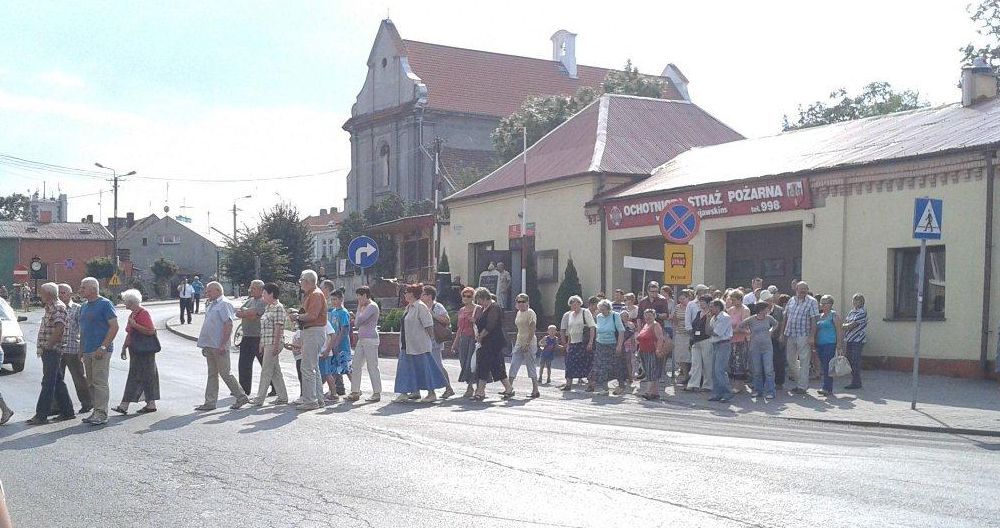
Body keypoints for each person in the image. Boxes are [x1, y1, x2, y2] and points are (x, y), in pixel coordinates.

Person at [194, 281, 249, 411]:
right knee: (212, 374)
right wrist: (205, 344)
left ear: (218, 291)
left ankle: (241, 396)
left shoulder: (224, 304)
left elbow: (228, 324)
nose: (207, 293)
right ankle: (210, 402)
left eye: (209, 291)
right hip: (210, 344)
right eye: (206, 291)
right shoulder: (212, 304)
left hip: (219, 345)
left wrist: (223, 344)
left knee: (225, 373)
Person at [26, 282, 74, 425]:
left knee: (48, 382)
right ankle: (68, 411)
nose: (40, 295)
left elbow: (60, 328)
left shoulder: (58, 307)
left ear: (48, 294)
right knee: (57, 381)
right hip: (48, 350)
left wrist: (48, 345)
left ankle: (41, 415)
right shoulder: (51, 307)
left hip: (52, 350)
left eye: (41, 292)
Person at [393, 284, 447, 403]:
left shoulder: (420, 307)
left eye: (406, 292)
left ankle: (431, 393)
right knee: (406, 369)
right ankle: (407, 392)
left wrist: (430, 341)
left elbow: (428, 325)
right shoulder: (409, 307)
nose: (405, 294)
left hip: (420, 345)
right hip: (407, 344)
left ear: (412, 293)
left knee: (424, 369)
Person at [112, 289, 160, 415]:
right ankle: (149, 404)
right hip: (136, 350)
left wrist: (135, 325)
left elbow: (151, 331)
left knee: (145, 376)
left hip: (145, 350)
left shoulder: (143, 313)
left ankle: (126, 405)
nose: (124, 303)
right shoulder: (133, 314)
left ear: (131, 302)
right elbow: (130, 333)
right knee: (142, 376)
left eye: (125, 301)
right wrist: (124, 347)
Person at [78, 276, 118, 425]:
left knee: (99, 382)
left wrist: (103, 346)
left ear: (93, 289)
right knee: (90, 382)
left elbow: (114, 327)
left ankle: (102, 413)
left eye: (83, 288)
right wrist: (81, 350)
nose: (80, 290)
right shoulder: (84, 306)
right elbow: (83, 330)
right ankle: (96, 410)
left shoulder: (105, 304)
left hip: (101, 350)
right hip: (87, 350)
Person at [288, 270, 327, 411]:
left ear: (308, 281)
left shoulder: (315, 294)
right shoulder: (313, 294)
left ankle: (310, 400)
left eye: (301, 280)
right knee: (313, 367)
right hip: (312, 332)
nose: (300, 283)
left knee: (307, 367)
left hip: (313, 332)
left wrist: (297, 316)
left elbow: (312, 315)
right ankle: (318, 399)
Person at [472, 287, 514, 400]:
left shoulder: (494, 307)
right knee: (494, 366)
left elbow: (490, 326)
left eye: (479, 300)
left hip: (493, 342)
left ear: (484, 297)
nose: (478, 303)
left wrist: (480, 336)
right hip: (486, 342)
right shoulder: (485, 308)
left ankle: (480, 391)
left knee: (486, 365)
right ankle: (508, 388)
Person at [251, 282, 288, 406]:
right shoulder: (268, 307)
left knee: (266, 370)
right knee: (275, 371)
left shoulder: (278, 307)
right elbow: (264, 328)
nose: (263, 296)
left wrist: (276, 346)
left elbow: (278, 328)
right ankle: (283, 397)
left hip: (274, 342)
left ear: (271, 294)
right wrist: (261, 344)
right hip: (267, 342)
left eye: (265, 294)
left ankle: (259, 398)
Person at [57, 283, 92, 415]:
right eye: (58, 293)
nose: (60, 295)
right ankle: (57, 405)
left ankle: (87, 402)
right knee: (57, 378)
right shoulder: (55, 308)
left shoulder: (78, 308)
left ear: (70, 294)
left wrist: (82, 349)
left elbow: (83, 330)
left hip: (73, 348)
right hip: (57, 349)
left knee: (79, 377)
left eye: (63, 293)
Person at [782, 281, 819, 394]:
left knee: (804, 360)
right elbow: (786, 317)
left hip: (804, 334)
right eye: (801, 289)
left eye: (805, 289)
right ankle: (800, 381)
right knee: (790, 360)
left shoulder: (812, 302)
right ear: (796, 289)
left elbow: (814, 320)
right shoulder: (791, 300)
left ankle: (802, 386)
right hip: (791, 334)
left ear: (807, 290)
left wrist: (812, 336)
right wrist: (782, 333)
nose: (803, 291)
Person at [347, 286, 382, 402]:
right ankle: (355, 391)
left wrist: (358, 308)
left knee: (372, 366)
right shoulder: (364, 307)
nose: (358, 299)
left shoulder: (372, 306)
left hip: (371, 339)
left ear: (366, 295)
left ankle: (377, 392)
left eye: (360, 296)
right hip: (362, 339)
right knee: (356, 365)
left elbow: (358, 322)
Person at [421, 285, 455, 399]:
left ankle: (448, 388)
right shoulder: (422, 307)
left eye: (423, 294)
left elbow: (446, 320)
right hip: (425, 340)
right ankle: (440, 389)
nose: (421, 296)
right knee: (430, 365)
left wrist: (432, 314)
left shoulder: (437, 306)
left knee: (437, 365)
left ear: (429, 296)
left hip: (435, 340)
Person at [235, 280, 268, 396]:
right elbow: (237, 313)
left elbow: (255, 315)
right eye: (251, 288)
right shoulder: (249, 301)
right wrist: (247, 312)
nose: (251, 290)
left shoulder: (263, 302)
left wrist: (246, 313)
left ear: (261, 289)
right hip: (246, 336)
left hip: (258, 337)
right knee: (244, 364)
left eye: (254, 288)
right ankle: (244, 389)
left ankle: (274, 387)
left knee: (265, 363)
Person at [321, 284, 352, 401]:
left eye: (335, 299)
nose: (333, 302)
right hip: (333, 346)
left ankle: (355, 389)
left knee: (347, 368)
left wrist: (337, 343)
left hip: (342, 346)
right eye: (332, 299)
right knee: (334, 369)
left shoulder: (343, 312)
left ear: (341, 299)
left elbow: (344, 330)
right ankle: (333, 391)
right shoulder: (333, 312)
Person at [740, 301, 777, 399]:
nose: (768, 310)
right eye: (766, 308)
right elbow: (741, 325)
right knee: (757, 370)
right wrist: (747, 332)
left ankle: (770, 391)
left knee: (768, 370)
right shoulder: (752, 319)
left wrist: (771, 331)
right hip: (755, 347)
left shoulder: (769, 318)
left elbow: (775, 324)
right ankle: (757, 390)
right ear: (761, 309)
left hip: (767, 348)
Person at [559, 295, 596, 392]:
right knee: (569, 362)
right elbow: (570, 330)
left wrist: (591, 342)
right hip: (573, 343)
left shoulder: (585, 312)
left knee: (587, 363)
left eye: (575, 303)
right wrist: (568, 343)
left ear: (580, 303)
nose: (573, 306)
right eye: (571, 304)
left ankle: (590, 385)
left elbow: (592, 327)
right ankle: (568, 384)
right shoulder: (570, 314)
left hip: (584, 342)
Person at [508, 293, 540, 398]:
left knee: (530, 365)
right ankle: (509, 388)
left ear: (527, 302)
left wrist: (527, 343)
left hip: (529, 343)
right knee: (514, 364)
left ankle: (535, 390)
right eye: (518, 301)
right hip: (519, 341)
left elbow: (532, 329)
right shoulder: (518, 313)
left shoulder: (530, 313)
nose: (520, 304)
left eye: (523, 301)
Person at [592, 299, 625, 395]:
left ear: (608, 308)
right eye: (601, 309)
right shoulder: (599, 317)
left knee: (616, 365)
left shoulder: (615, 315)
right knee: (602, 366)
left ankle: (621, 386)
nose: (602, 311)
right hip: (600, 344)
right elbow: (597, 330)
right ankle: (604, 388)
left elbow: (621, 331)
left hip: (612, 344)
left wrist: (619, 346)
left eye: (604, 309)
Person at [451, 287, 480, 399]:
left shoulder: (477, 309)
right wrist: (455, 343)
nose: (466, 298)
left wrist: (475, 320)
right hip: (463, 338)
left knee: (471, 363)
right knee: (463, 362)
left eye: (469, 296)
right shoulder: (461, 310)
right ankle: (471, 385)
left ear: (473, 297)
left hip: (474, 338)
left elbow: (482, 324)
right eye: (464, 295)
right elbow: (459, 328)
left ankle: (472, 387)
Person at [637, 308, 670, 400]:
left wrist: (658, 350)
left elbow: (660, 338)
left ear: (654, 316)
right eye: (646, 315)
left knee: (652, 372)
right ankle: (655, 393)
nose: (647, 317)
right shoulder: (645, 325)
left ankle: (648, 392)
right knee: (649, 372)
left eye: (650, 315)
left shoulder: (656, 325)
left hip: (653, 351)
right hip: (644, 351)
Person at [816, 295, 844, 397]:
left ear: (830, 304)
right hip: (820, 344)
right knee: (824, 365)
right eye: (821, 303)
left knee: (828, 365)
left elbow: (839, 331)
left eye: (825, 303)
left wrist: (839, 344)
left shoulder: (834, 316)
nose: (822, 305)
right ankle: (826, 386)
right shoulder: (820, 316)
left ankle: (827, 387)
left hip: (830, 344)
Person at [686, 294, 714, 392]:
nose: (701, 303)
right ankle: (693, 384)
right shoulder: (698, 313)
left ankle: (707, 385)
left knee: (707, 364)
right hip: (696, 340)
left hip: (706, 340)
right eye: (700, 301)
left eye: (703, 301)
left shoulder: (710, 314)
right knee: (695, 364)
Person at [707, 299, 734, 402]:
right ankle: (717, 393)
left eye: (712, 307)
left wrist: (710, 331)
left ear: (718, 307)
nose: (710, 309)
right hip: (715, 344)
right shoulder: (713, 318)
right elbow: (708, 331)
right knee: (714, 371)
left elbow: (716, 332)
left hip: (723, 344)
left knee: (720, 370)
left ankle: (727, 392)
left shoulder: (724, 317)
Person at [727, 291, 752, 394]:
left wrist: (733, 330)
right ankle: (733, 384)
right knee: (732, 362)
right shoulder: (730, 310)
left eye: (734, 299)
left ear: (740, 299)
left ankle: (739, 385)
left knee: (739, 362)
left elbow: (744, 326)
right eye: (731, 299)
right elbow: (727, 323)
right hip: (731, 340)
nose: (732, 301)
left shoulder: (745, 310)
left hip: (741, 340)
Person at [842, 293, 868, 390]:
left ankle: (856, 382)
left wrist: (842, 326)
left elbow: (851, 325)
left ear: (862, 302)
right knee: (849, 360)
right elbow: (846, 322)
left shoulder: (862, 312)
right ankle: (854, 380)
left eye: (858, 300)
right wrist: (844, 325)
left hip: (858, 340)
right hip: (849, 338)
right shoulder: (852, 312)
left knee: (855, 361)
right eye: (854, 300)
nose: (855, 302)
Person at [671, 290, 692, 385]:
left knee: (689, 356)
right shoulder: (677, 307)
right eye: (680, 299)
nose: (682, 300)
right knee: (681, 355)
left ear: (688, 298)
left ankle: (692, 375)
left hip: (689, 334)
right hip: (680, 333)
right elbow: (673, 317)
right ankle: (686, 375)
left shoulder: (691, 307)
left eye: (684, 298)